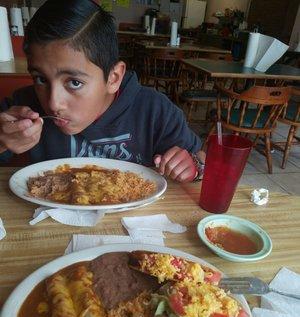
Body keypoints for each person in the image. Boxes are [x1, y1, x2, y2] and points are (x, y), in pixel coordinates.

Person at [0, 0, 204, 182]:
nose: (53, 103)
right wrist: (1, 140)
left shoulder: (155, 112)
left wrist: (193, 166)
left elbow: (202, 160)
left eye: (74, 82)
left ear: (113, 78)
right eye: (41, 79)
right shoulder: (24, 107)